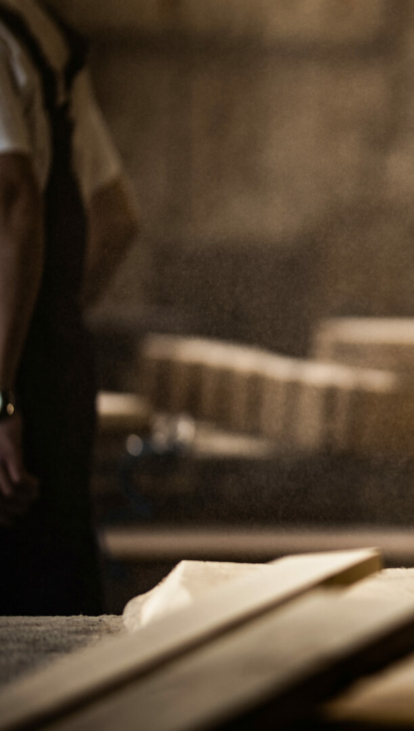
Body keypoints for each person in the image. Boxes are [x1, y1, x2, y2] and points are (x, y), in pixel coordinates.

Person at [0, 0, 138, 615]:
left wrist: (3, 395)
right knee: (56, 618)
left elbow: (13, 201)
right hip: (48, 382)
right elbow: (116, 218)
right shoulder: (37, 33)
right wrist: (46, 330)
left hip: (14, 398)